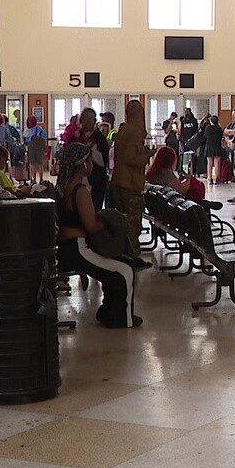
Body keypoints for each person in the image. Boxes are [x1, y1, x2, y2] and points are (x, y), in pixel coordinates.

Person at [54, 143, 141, 329]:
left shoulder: (62, 189)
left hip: (65, 248)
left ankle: (108, 312)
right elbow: (91, 226)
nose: (92, 163)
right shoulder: (80, 191)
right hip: (77, 249)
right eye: (89, 160)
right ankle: (122, 319)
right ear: (83, 165)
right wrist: (111, 220)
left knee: (117, 266)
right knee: (124, 270)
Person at [111, 100, 153, 252]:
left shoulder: (123, 129)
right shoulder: (134, 131)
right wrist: (146, 156)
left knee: (123, 221)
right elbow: (130, 158)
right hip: (130, 183)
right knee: (132, 224)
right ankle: (132, 256)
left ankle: (124, 252)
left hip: (118, 181)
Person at [68, 108, 111, 209]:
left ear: (95, 121)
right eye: (85, 119)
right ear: (81, 121)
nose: (87, 122)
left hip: (96, 181)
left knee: (95, 209)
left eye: (90, 119)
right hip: (76, 180)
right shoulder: (75, 137)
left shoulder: (100, 139)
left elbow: (104, 160)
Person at [24, 115, 48, 184]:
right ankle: (41, 179)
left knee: (32, 164)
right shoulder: (40, 129)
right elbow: (44, 138)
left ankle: (33, 179)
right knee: (40, 164)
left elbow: (26, 141)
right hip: (40, 148)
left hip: (31, 148)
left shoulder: (27, 130)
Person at [202, 114, 226, 185]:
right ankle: (216, 179)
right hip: (217, 147)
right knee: (217, 164)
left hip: (209, 146)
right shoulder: (219, 129)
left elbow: (205, 136)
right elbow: (221, 136)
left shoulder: (208, 128)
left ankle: (209, 179)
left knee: (209, 164)